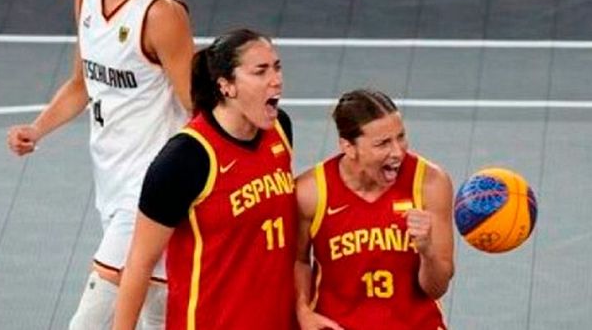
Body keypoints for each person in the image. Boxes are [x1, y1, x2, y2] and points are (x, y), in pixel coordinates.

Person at [6, 0, 192, 330]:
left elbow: (195, 105)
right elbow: (81, 83)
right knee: (157, 315)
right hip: (110, 180)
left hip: (151, 187)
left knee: (88, 321)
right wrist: (38, 128)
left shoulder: (160, 13)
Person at [112, 29, 295, 330]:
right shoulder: (185, 158)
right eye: (260, 71)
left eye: (277, 67)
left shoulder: (280, 129)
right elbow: (139, 264)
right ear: (226, 86)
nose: (276, 79)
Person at [294, 89, 456, 330]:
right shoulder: (311, 192)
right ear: (348, 147)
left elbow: (437, 287)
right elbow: (298, 260)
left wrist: (427, 251)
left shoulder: (430, 183)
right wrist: (303, 311)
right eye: (383, 144)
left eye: (400, 137)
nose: (398, 152)